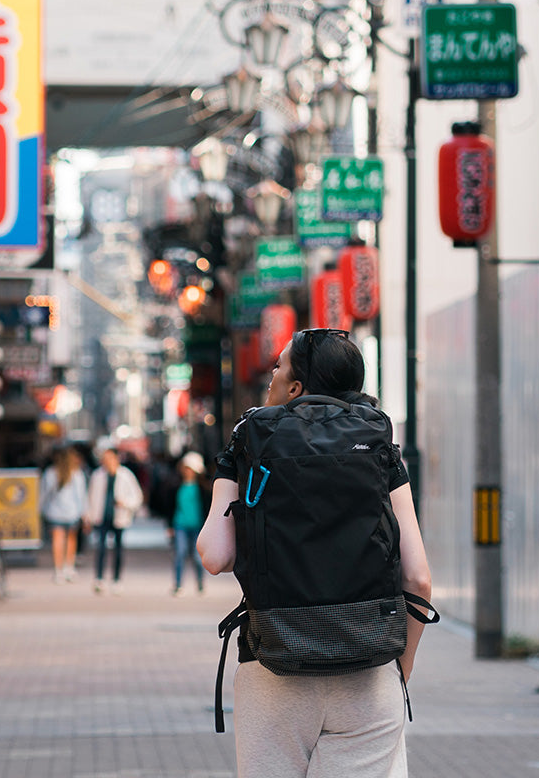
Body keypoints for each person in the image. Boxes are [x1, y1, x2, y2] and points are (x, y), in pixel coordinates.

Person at [197, 328, 433, 778]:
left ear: (296, 388)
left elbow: (214, 555)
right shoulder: (379, 444)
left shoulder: (250, 441)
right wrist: (399, 670)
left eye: (280, 365)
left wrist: (231, 463)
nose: (271, 372)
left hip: (274, 669)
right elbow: (418, 578)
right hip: (369, 669)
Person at [83, 446, 143, 594]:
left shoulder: (126, 475)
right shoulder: (97, 475)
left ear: (116, 458)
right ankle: (99, 578)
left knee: (118, 550)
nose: (107, 461)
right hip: (101, 517)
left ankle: (117, 579)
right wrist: (87, 517)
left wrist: (125, 503)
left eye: (110, 457)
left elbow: (137, 497)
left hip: (119, 517)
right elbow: (90, 497)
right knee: (101, 548)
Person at [40, 445, 87, 583]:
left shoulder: (50, 473)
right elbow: (81, 495)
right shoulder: (77, 473)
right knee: (71, 540)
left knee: (57, 540)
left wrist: (40, 509)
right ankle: (69, 567)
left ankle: (58, 570)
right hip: (72, 512)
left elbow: (44, 494)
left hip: (54, 511)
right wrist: (84, 512)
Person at [169, 452, 207, 596]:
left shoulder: (203, 488)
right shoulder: (176, 486)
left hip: (198, 526)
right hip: (180, 525)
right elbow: (170, 507)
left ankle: (200, 583)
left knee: (198, 557)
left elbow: (207, 507)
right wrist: (169, 526)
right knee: (180, 553)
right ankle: (178, 584)